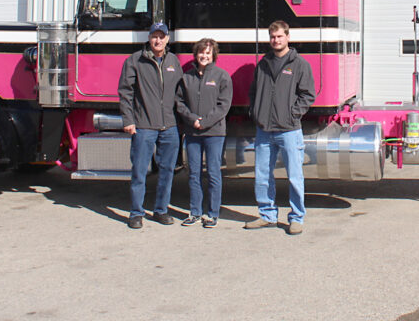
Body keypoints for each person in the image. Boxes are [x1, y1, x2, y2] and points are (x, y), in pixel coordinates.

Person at [244, 20, 316, 235]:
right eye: (273, 37)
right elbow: (254, 92)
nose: (276, 40)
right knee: (263, 175)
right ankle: (267, 215)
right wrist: (255, 113)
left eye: (279, 36)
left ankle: (296, 218)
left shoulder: (300, 64)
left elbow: (308, 95)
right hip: (264, 130)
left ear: (287, 37)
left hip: (289, 130)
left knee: (295, 176)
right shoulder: (263, 64)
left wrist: (292, 114)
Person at [118, 22, 183, 229]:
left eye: (161, 37)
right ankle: (136, 213)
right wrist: (128, 120)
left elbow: (181, 93)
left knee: (167, 171)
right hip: (144, 126)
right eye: (154, 36)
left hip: (169, 127)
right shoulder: (135, 60)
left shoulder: (174, 61)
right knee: (139, 171)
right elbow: (125, 93)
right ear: (149, 38)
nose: (158, 40)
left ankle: (161, 210)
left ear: (167, 39)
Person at [176, 38, 233, 228]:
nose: (204, 56)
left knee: (214, 174)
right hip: (193, 133)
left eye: (208, 53)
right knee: (193, 173)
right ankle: (195, 212)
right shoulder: (186, 77)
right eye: (201, 52)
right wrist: (193, 120)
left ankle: (213, 214)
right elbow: (180, 103)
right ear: (196, 54)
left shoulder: (222, 76)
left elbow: (223, 106)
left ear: (213, 55)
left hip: (214, 133)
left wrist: (205, 122)